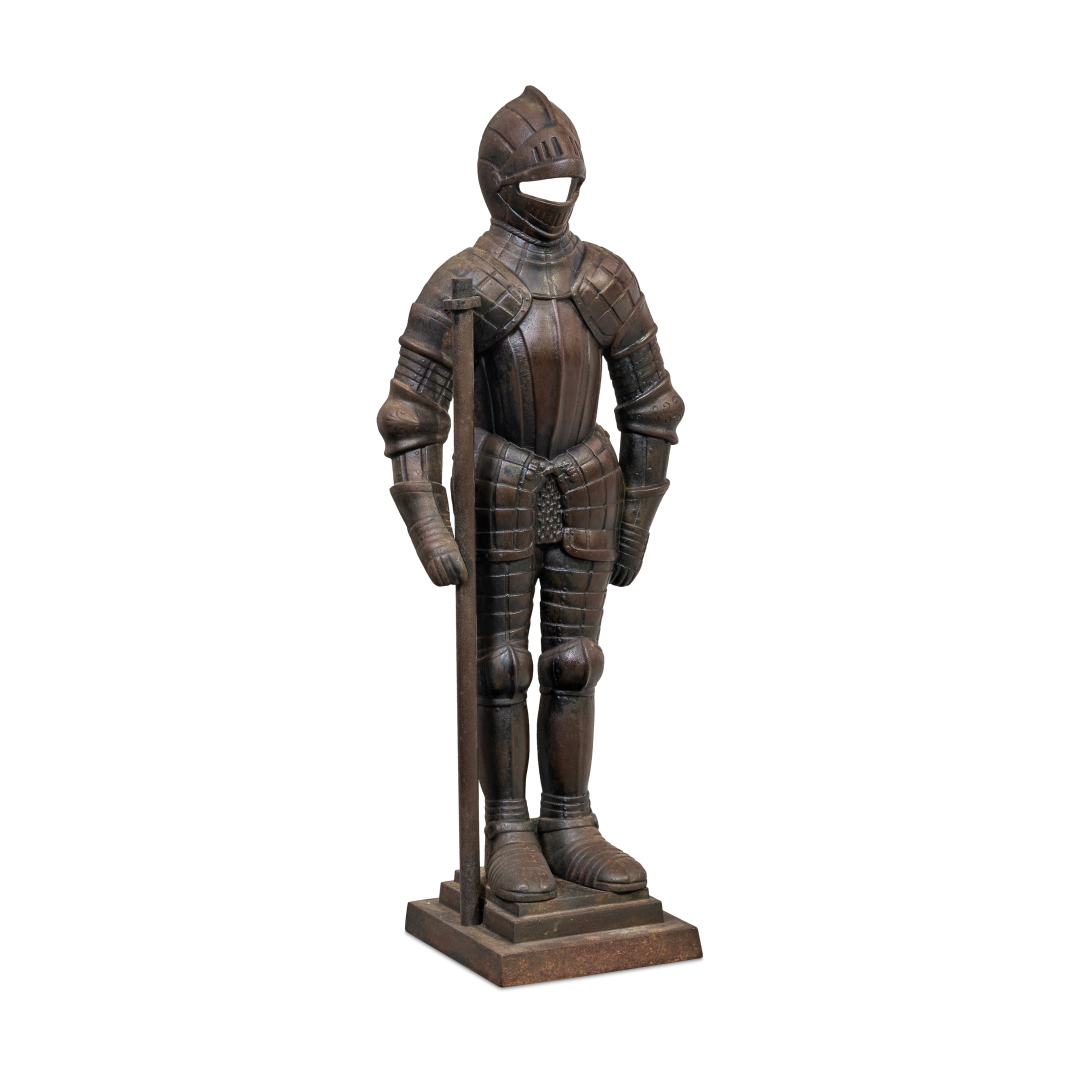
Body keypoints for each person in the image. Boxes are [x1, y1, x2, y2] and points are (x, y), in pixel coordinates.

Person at [377, 86, 684, 904]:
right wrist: (429, 523)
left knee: (575, 663)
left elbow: (652, 404)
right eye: (537, 181)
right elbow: (411, 413)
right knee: (502, 665)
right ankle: (509, 826)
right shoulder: (466, 281)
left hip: (587, 483)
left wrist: (638, 517)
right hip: (499, 485)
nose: (554, 196)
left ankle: (570, 821)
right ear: (498, 184)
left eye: (565, 179)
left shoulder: (605, 277)